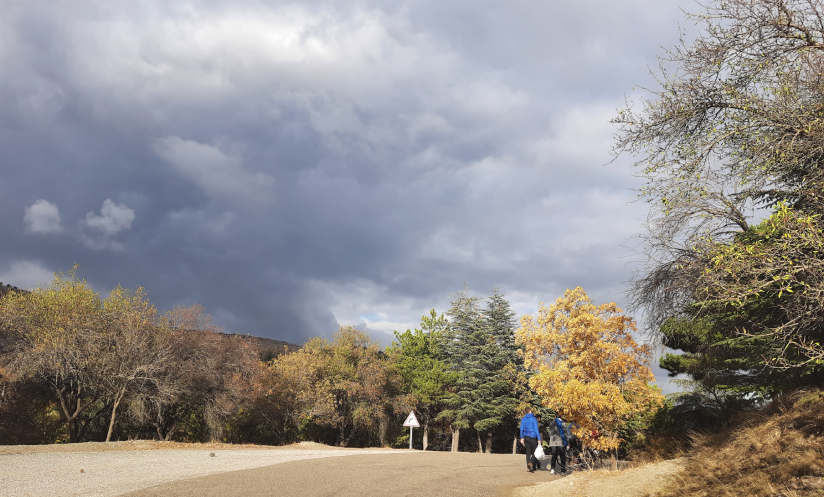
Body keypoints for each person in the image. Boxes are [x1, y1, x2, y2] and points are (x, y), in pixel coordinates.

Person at [519, 407, 541, 473]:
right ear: (530, 411)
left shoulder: (523, 419)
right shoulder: (533, 419)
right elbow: (536, 429)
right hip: (533, 436)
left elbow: (521, 429)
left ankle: (528, 465)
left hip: (526, 437)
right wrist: (539, 439)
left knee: (528, 452)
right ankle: (531, 463)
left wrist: (522, 437)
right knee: (535, 451)